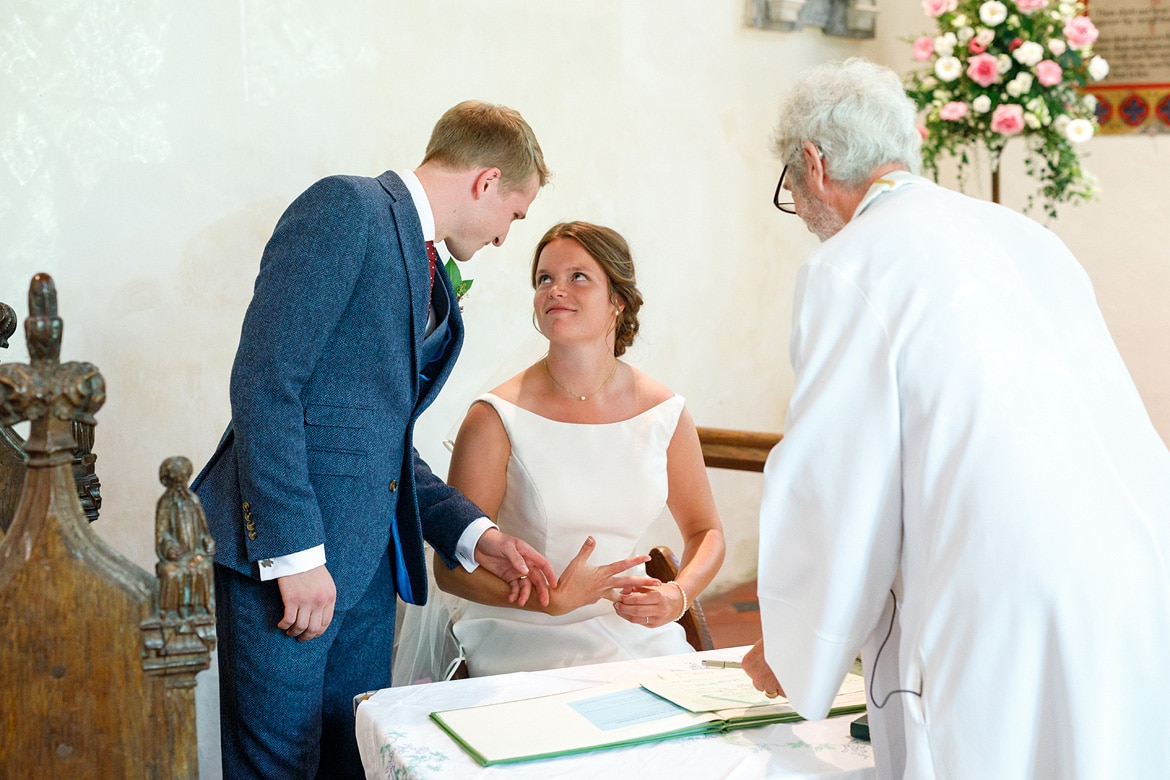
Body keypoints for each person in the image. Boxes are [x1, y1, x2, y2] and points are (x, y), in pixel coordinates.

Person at [742, 58, 1170, 779]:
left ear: (813, 165)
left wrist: (796, 644)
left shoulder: (852, 264)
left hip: (1007, 595)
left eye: (791, 183)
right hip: (1137, 565)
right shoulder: (1025, 235)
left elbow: (835, 475)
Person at [192, 100, 559, 779]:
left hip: (364, 576)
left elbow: (380, 440)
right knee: (278, 767)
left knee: (350, 761)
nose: (510, 238)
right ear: (484, 182)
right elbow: (266, 383)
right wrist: (294, 554)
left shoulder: (423, 266)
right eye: (515, 213)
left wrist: (477, 536)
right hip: (290, 564)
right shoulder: (347, 210)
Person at [431, 221, 726, 676]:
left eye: (577, 277)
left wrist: (677, 595)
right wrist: (549, 601)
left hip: (633, 627)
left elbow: (707, 531)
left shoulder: (664, 413)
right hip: (525, 633)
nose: (555, 290)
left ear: (618, 300)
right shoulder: (495, 418)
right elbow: (450, 570)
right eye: (544, 279)